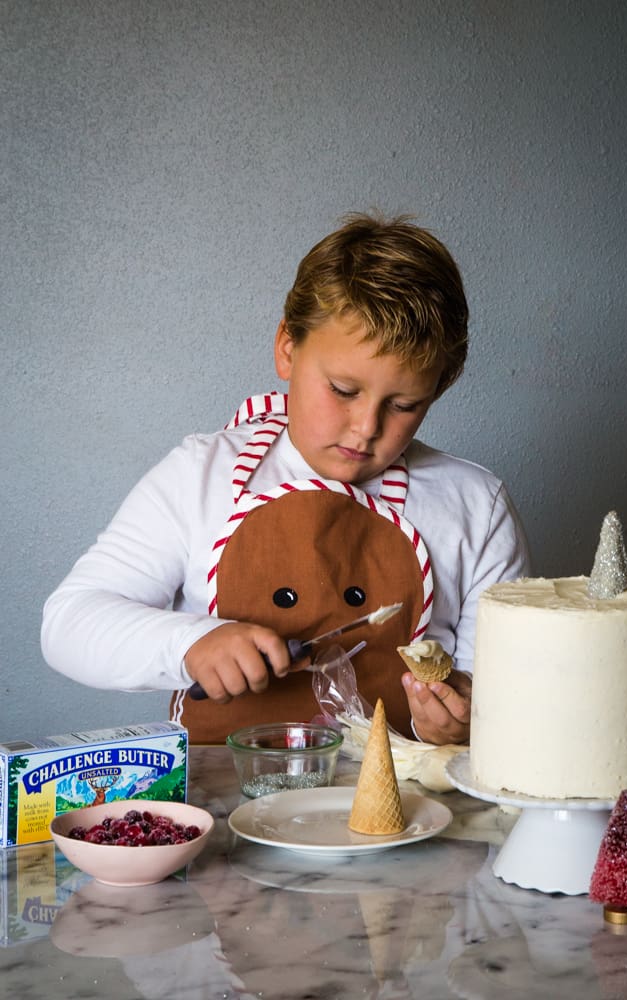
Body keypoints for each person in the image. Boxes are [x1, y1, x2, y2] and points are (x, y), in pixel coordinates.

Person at [41, 213, 530, 745]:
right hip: (224, 803)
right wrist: (192, 644)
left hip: (405, 816)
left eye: (405, 404)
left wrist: (465, 718)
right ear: (287, 348)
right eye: (343, 390)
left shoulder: (475, 507)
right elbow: (68, 625)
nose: (366, 428)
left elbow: (510, 690)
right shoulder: (199, 475)